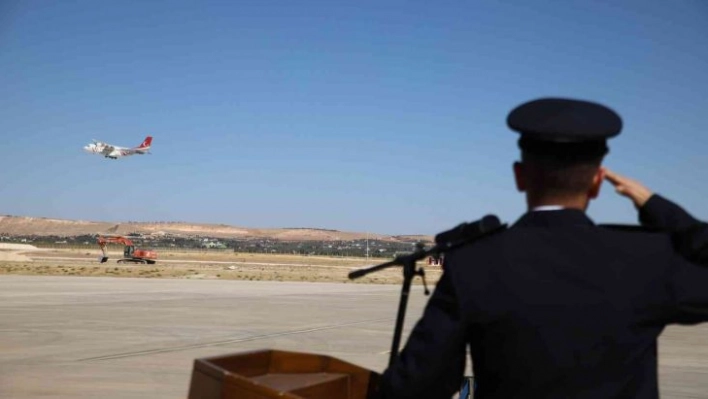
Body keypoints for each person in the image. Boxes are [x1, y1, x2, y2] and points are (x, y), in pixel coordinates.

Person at [374, 98, 708, 398]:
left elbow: (421, 384)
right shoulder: (648, 259)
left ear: (520, 176)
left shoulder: (475, 262)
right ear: (596, 183)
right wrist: (656, 206)